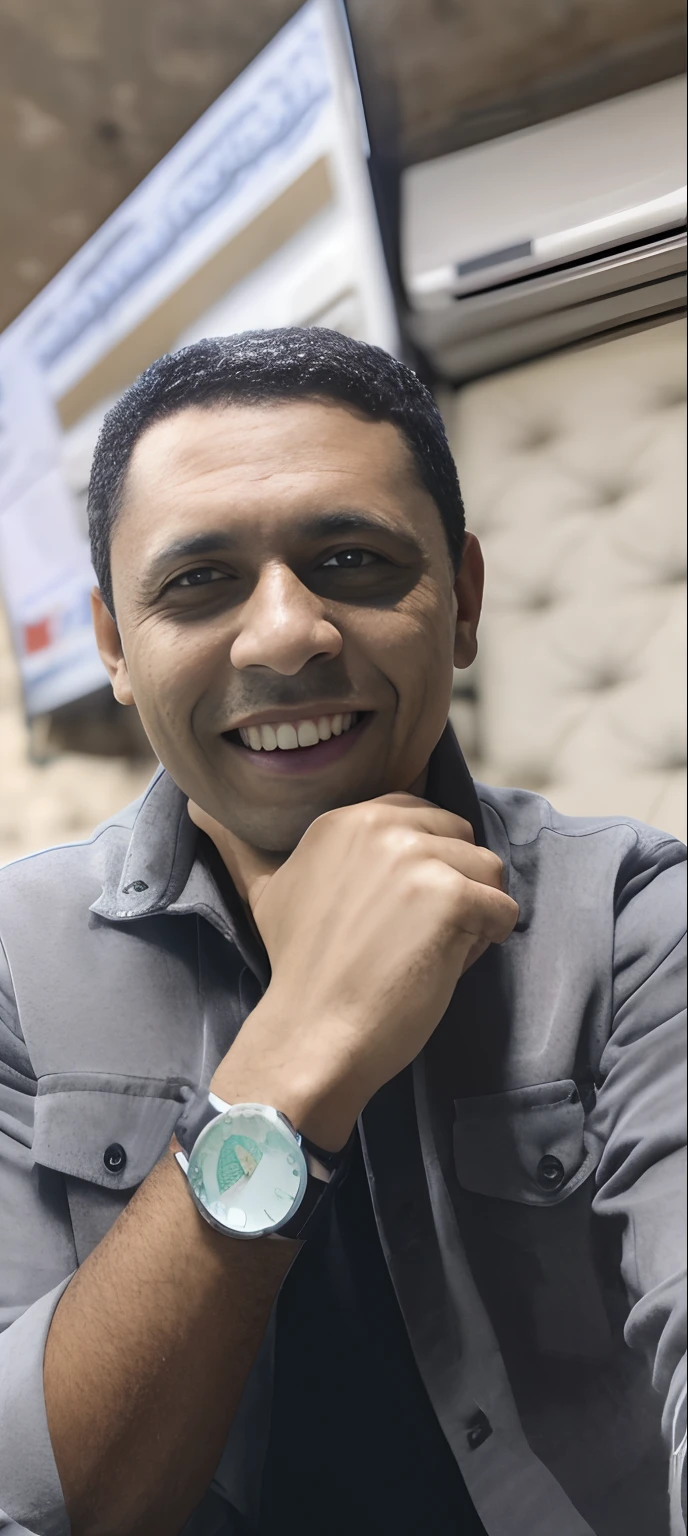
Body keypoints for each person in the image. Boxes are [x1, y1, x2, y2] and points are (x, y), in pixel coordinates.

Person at [0, 329, 684, 1536]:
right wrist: (297, 1045)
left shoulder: (636, 920)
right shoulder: (15, 960)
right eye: (199, 581)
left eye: (353, 559)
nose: (285, 635)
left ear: (462, 601)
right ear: (114, 644)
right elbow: (44, 1502)